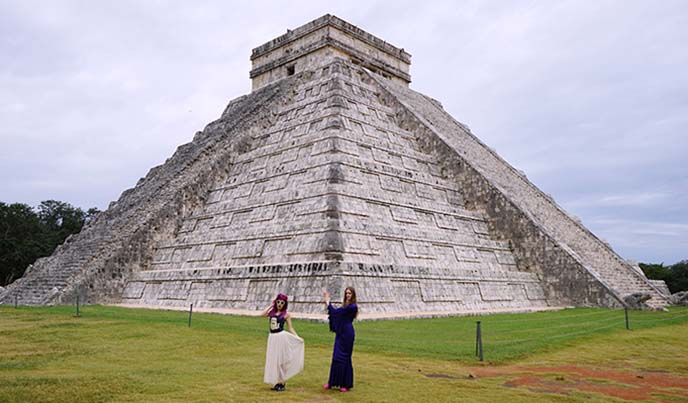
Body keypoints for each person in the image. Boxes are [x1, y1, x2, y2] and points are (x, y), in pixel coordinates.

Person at [261, 293, 304, 392]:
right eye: (278, 302)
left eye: (282, 302)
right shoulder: (272, 313)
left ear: (285, 304)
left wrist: (297, 337)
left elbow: (290, 327)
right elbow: (262, 314)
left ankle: (282, 382)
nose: (280, 304)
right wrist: (271, 305)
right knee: (274, 360)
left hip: (280, 337)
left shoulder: (286, 315)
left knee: (282, 360)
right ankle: (277, 381)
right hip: (272, 337)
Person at [323, 287, 358, 392]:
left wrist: (328, 302)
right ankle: (332, 382)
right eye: (346, 293)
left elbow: (337, 313)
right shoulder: (346, 306)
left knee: (345, 358)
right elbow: (338, 313)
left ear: (353, 295)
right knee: (336, 356)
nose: (348, 295)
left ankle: (345, 384)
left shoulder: (352, 307)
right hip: (341, 333)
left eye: (349, 293)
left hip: (347, 334)